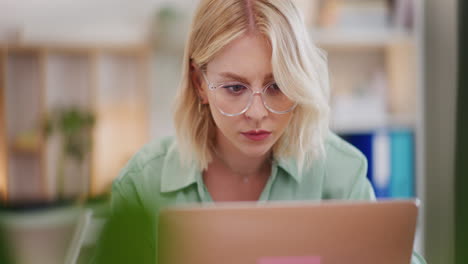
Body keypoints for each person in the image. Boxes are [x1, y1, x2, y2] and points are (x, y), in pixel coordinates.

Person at [110, 0, 426, 263]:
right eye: (235, 87)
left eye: (277, 86)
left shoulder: (340, 173)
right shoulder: (142, 183)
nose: (258, 113)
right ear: (199, 84)